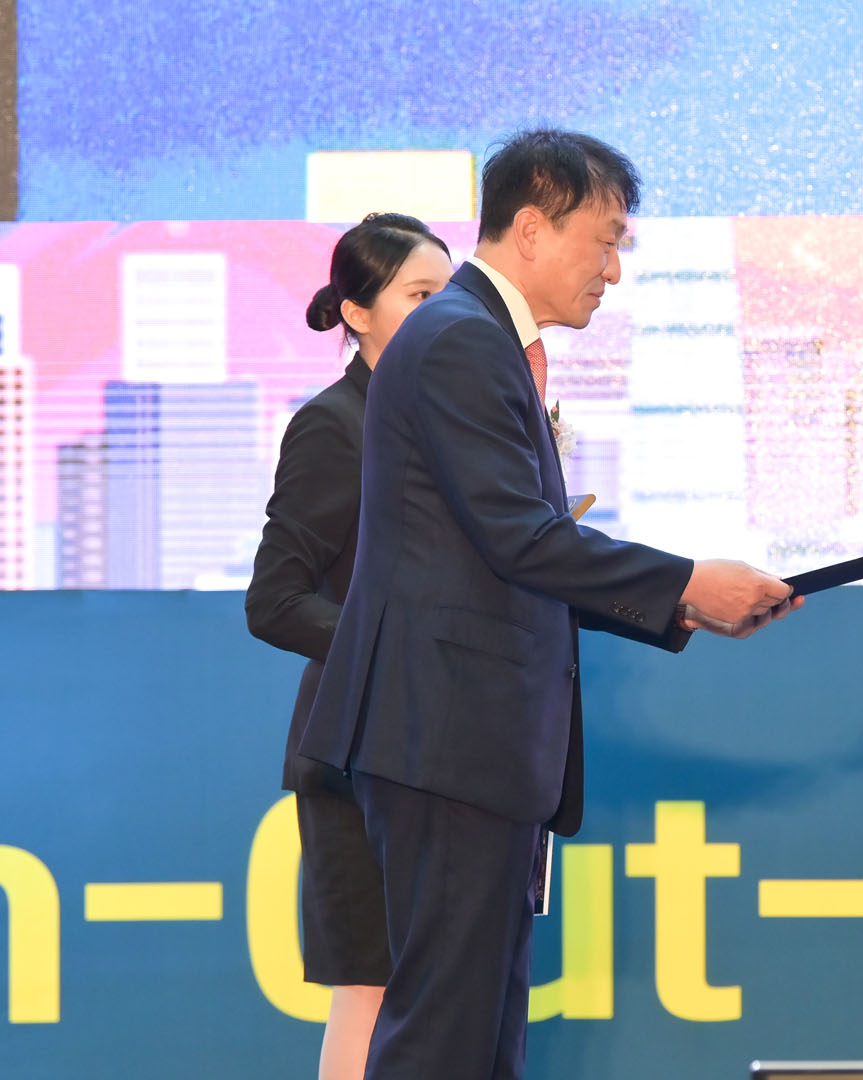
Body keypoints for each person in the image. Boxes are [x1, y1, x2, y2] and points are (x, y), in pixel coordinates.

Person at [297, 128, 798, 1080]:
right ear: (531, 227)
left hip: (467, 742)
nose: (614, 270)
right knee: (445, 1037)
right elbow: (519, 537)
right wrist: (686, 582)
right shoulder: (460, 340)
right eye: (604, 242)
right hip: (447, 737)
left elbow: (499, 553)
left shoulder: (470, 336)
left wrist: (680, 607)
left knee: (481, 1037)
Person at [245, 212, 453, 1080]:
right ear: (357, 313)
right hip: (359, 750)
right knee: (372, 987)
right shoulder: (336, 424)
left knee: (447, 992)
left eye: (453, 296)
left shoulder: (457, 424)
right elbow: (275, 601)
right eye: (421, 295)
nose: (447, 315)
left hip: (453, 750)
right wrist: (401, 644)